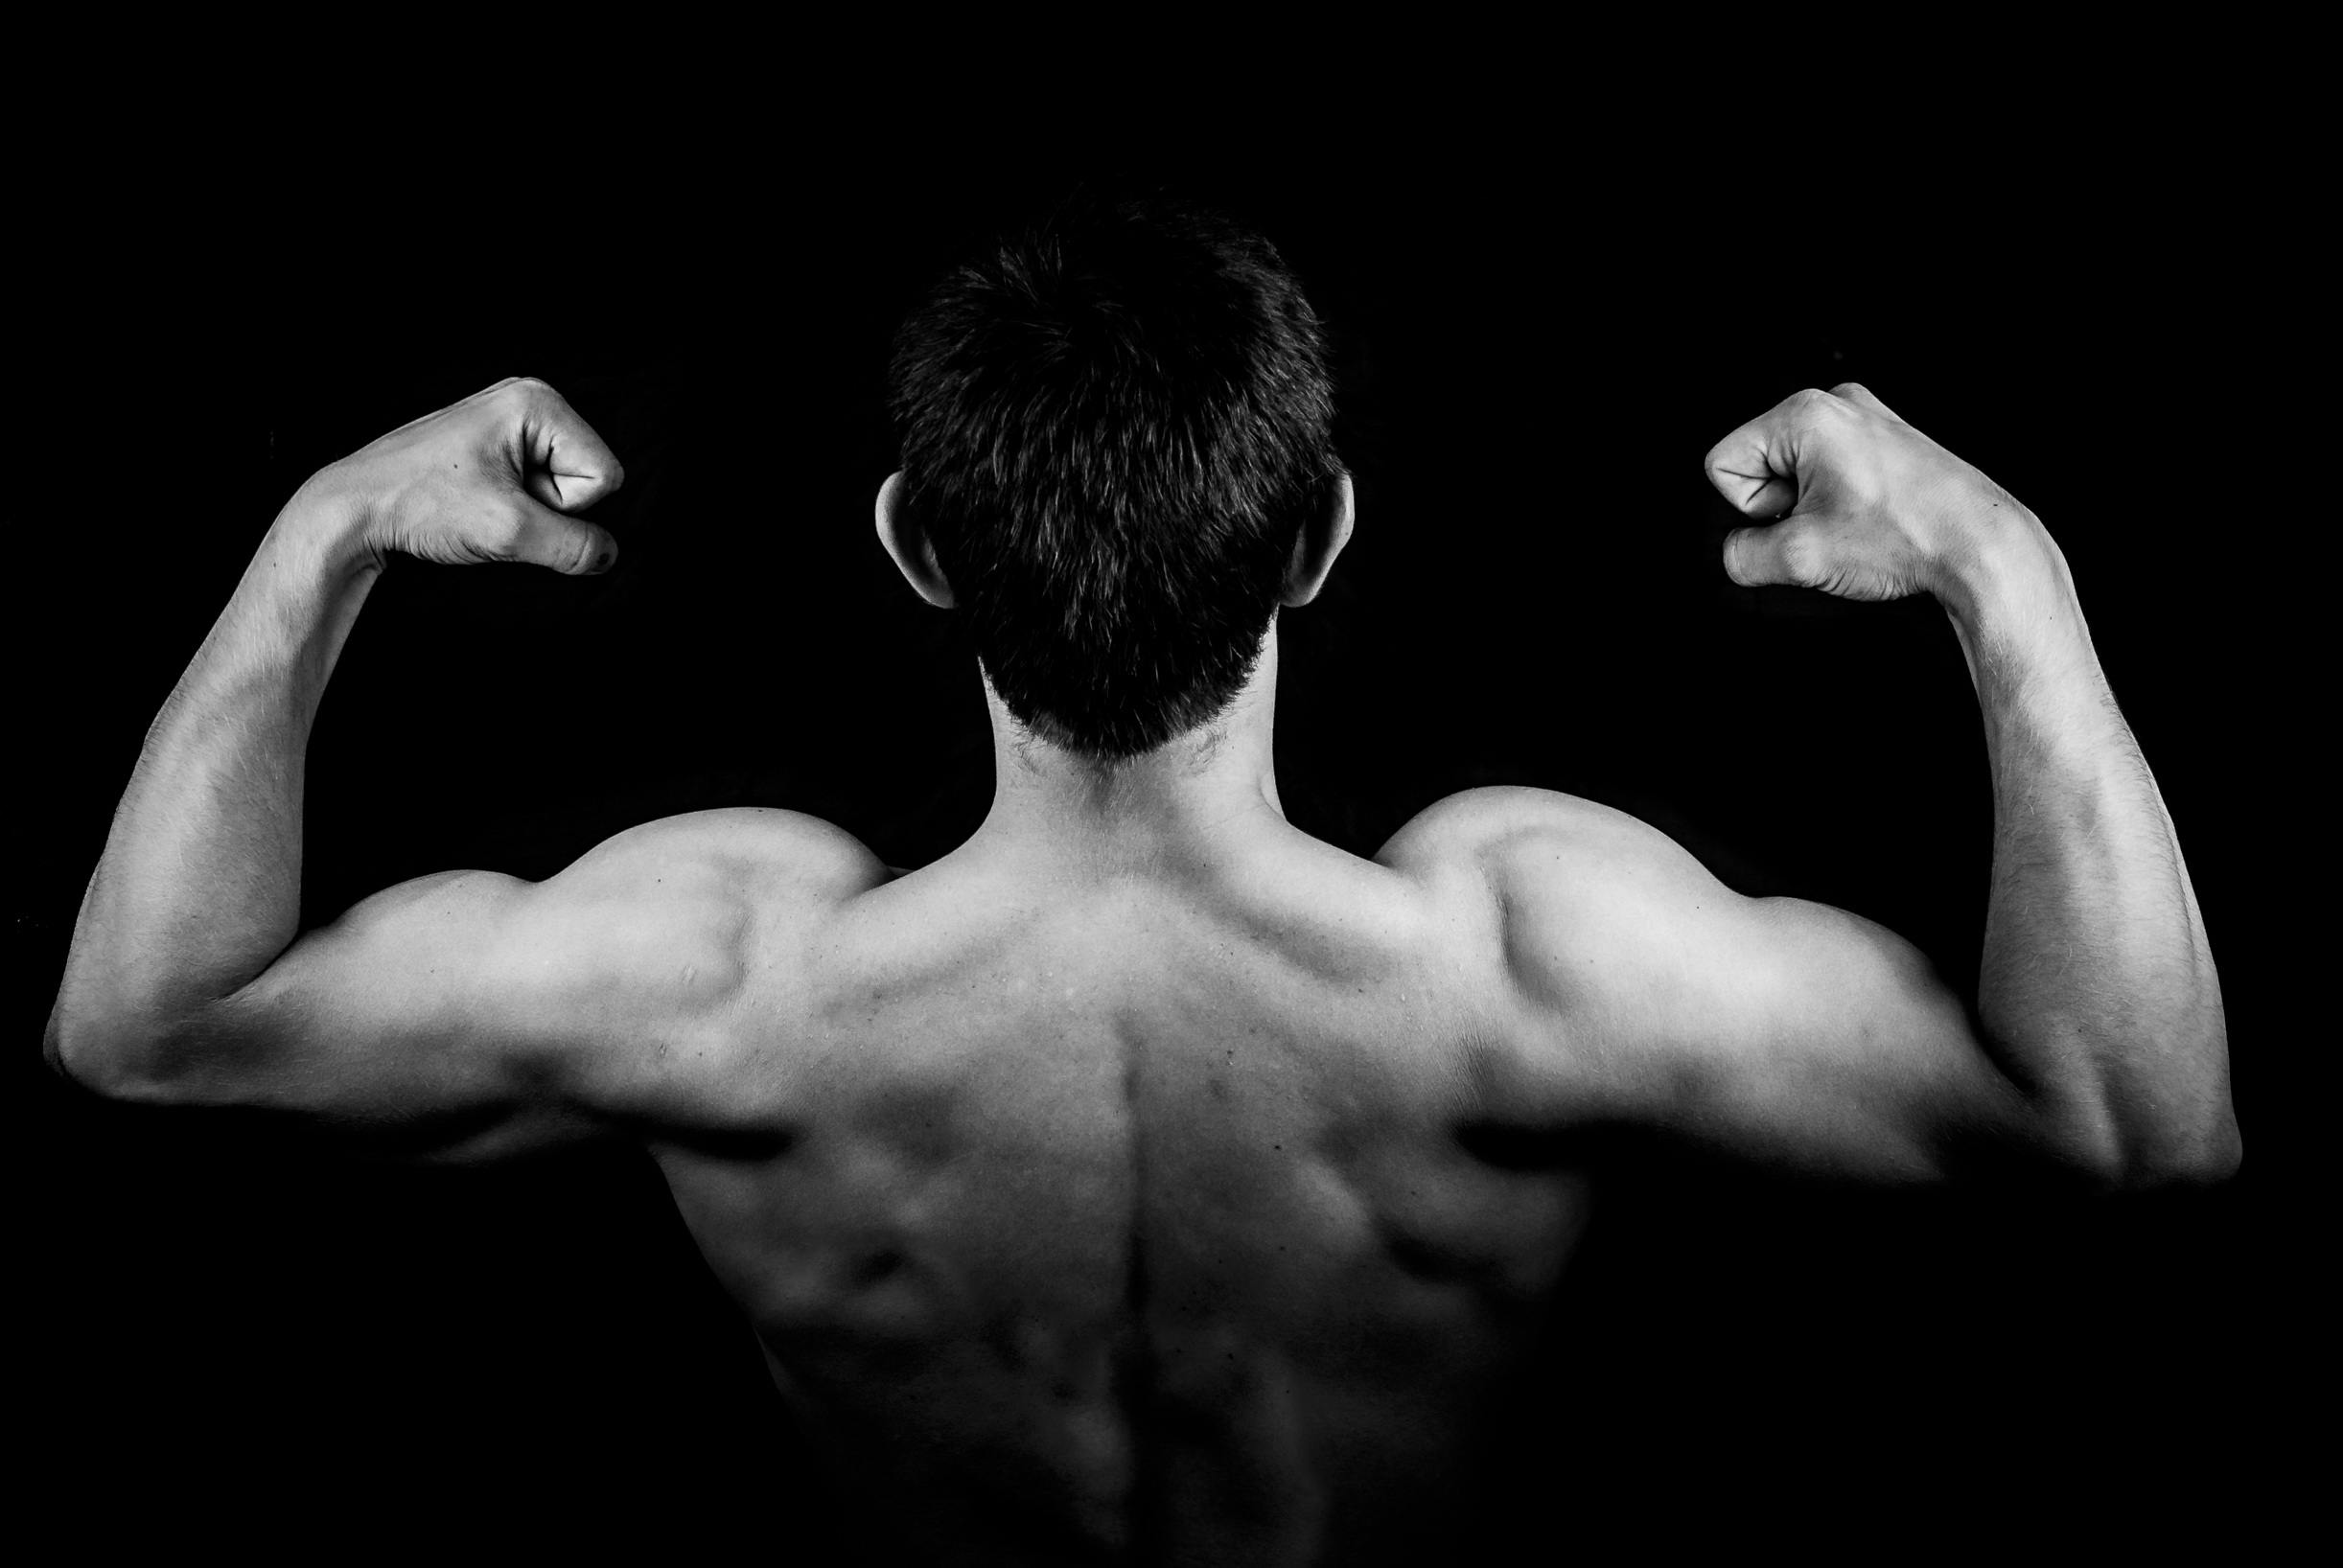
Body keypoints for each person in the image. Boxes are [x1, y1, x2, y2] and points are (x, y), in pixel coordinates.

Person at [46, 197, 2237, 1567]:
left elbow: (146, 1028)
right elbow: (2131, 1124)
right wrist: (1996, 569)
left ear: (915, 545)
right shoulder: (1521, 959)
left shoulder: (728, 977)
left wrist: (324, 523)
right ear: (1321, 541)